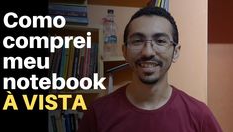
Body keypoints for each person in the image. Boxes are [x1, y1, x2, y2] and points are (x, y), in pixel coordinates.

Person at [78, 6, 222, 132]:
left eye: (160, 41)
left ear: (176, 52)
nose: (147, 52)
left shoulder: (200, 116)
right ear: (124, 51)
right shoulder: (97, 114)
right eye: (137, 41)